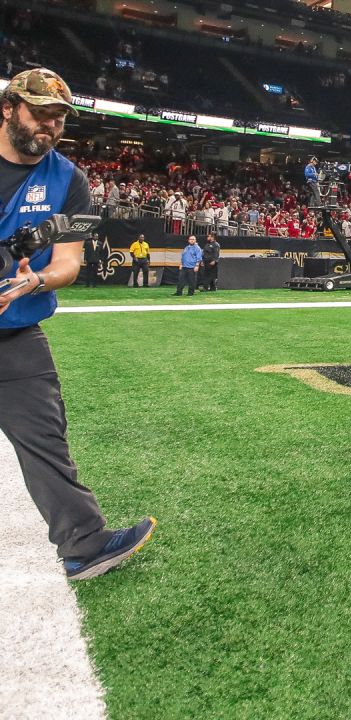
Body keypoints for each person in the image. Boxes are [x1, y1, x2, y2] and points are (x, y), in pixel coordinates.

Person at [0, 68, 155, 580]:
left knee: (46, 439)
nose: (51, 124)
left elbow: (67, 262)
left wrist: (34, 281)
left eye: (59, 116)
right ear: (8, 109)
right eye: (40, 113)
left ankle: (85, 545)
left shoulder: (69, 179)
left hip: (15, 332)